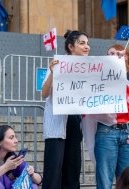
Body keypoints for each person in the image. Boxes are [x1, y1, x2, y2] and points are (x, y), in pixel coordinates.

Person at [81, 44, 129, 189]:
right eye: (111, 53)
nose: (115, 55)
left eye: (119, 53)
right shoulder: (99, 79)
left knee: (128, 179)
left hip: (128, 132)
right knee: (105, 178)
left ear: (126, 57)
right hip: (106, 131)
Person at [41, 30, 89, 189]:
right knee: (54, 168)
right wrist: (53, 73)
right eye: (82, 43)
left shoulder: (92, 68)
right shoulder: (57, 65)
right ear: (71, 46)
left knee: (72, 166)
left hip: (75, 119)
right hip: (57, 121)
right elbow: (44, 93)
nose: (87, 47)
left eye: (88, 43)